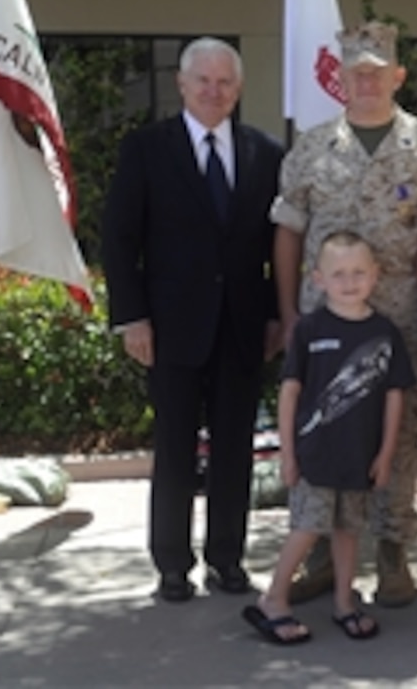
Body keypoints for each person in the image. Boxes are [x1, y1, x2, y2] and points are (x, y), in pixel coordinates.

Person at [271, 21, 417, 607]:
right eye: (357, 71)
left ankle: (393, 557)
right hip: (325, 323)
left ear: (398, 75)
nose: (367, 80)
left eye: (378, 70)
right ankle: (325, 557)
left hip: (401, 320)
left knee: (396, 437)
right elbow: (288, 235)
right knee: (325, 428)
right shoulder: (310, 149)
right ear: (341, 79)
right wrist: (288, 313)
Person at [102, 37, 283, 602]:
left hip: (242, 326)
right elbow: (119, 237)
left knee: (235, 451)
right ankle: (172, 566)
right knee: (176, 448)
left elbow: (281, 244)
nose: (213, 90)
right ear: (182, 85)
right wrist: (132, 318)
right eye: (202, 80)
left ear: (239, 88)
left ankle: (227, 560)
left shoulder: (265, 153)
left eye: (224, 81)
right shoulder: (146, 149)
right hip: (170, 326)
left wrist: (279, 314)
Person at [242, 232, 415, 645]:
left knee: (349, 530)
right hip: (313, 456)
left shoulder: (385, 333)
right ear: (318, 278)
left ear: (375, 275)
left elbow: (394, 397)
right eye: (339, 273)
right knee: (306, 527)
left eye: (359, 272)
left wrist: (386, 453)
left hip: (360, 456)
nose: (350, 281)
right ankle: (274, 599)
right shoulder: (308, 330)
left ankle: (344, 601)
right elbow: (290, 392)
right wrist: (288, 452)